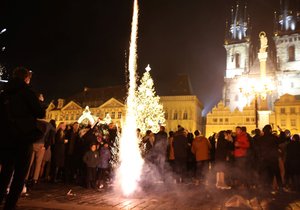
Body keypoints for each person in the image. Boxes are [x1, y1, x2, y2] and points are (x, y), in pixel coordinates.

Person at [0, 67, 45, 210]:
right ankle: (10, 205)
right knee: (19, 175)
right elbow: (40, 113)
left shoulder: (4, 93)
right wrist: (40, 102)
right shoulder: (27, 92)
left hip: (6, 138)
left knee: (5, 172)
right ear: (26, 78)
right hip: (23, 138)